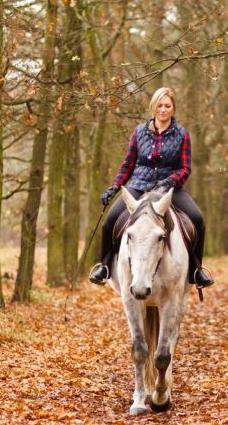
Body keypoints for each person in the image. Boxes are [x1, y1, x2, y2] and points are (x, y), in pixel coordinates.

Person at [89, 87, 214, 289]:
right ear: (153, 107)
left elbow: (185, 168)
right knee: (109, 221)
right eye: (159, 105)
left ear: (173, 109)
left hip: (170, 190)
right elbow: (128, 165)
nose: (163, 109)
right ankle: (104, 266)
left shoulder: (182, 135)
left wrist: (169, 181)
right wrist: (114, 187)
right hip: (139, 186)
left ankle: (196, 271)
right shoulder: (139, 132)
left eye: (167, 106)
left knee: (198, 219)